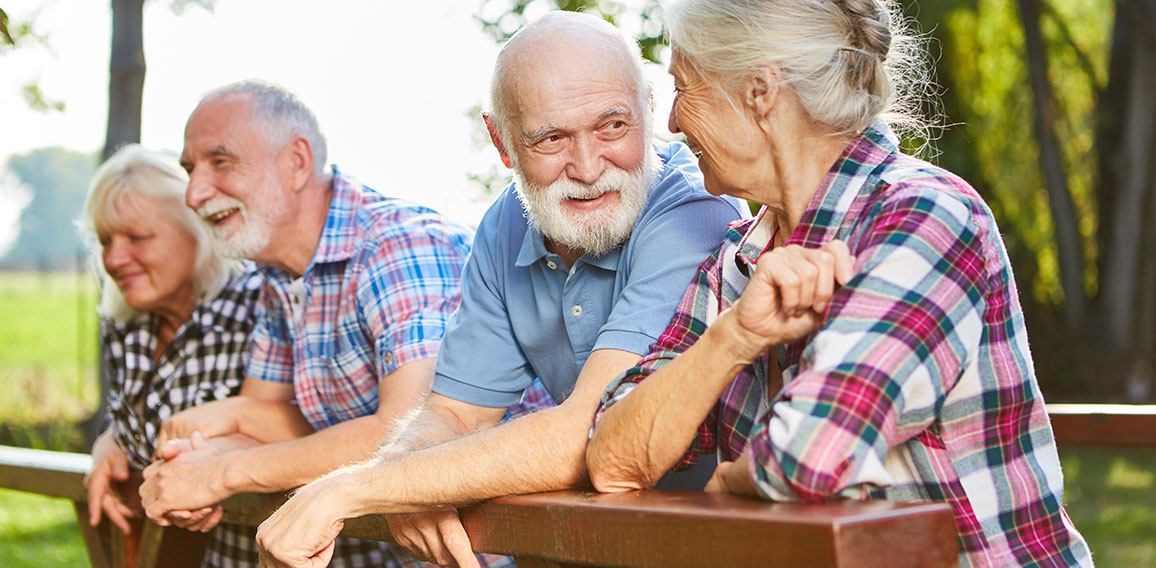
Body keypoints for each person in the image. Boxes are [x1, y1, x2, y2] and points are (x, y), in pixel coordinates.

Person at [584, 1, 1092, 566]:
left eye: (684, 87)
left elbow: (811, 455)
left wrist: (728, 485)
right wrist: (732, 339)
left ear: (761, 91)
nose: (672, 122)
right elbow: (611, 459)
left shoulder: (926, 215)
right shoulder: (738, 259)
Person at [254, 12, 744, 568]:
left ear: (650, 109)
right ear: (502, 141)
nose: (587, 167)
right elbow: (455, 413)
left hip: (718, 548)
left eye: (612, 125)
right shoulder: (506, 222)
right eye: (551, 138)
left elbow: (591, 428)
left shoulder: (696, 213)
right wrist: (406, 475)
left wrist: (352, 489)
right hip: (592, 547)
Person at [136, 81, 485, 567]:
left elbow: (409, 438)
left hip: (519, 549)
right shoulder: (278, 276)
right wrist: (195, 467)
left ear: (297, 161)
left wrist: (221, 474)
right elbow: (268, 426)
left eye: (220, 162)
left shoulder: (398, 244)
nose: (194, 193)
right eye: (190, 169)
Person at [81, 144, 263, 567]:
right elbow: (130, 421)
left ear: (196, 228)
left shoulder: (258, 308)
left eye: (136, 237)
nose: (113, 258)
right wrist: (110, 441)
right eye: (105, 240)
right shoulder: (124, 325)